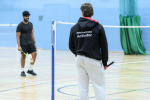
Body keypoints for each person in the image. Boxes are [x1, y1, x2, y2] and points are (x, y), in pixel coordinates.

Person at [69, 3, 108, 100]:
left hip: (79, 60)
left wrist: (79, 54)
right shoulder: (98, 27)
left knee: (82, 88)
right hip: (93, 60)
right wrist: (105, 62)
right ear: (92, 13)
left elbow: (71, 46)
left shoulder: (74, 28)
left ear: (82, 12)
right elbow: (104, 46)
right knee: (99, 88)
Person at [16, 11, 37, 77]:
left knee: (34, 54)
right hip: (23, 44)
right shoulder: (20, 25)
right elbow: (18, 36)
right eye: (26, 16)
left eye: (28, 16)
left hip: (30, 43)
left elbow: (32, 34)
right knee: (23, 56)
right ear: (23, 17)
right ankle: (22, 71)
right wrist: (19, 46)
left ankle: (30, 70)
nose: (27, 17)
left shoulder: (30, 24)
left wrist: (35, 43)